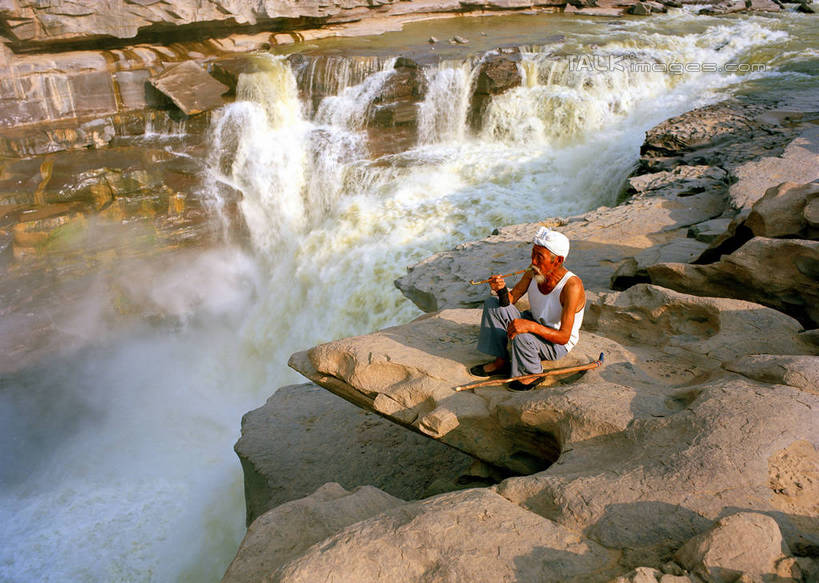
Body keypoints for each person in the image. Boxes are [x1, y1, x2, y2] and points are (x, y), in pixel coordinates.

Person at [471, 226, 586, 391]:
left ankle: (532, 374)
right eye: (533, 254)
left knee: (522, 336)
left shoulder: (571, 286)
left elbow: (563, 337)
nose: (533, 261)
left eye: (539, 257)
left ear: (558, 261)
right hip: (533, 322)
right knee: (493, 304)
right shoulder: (534, 271)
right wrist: (501, 290)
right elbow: (511, 299)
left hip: (556, 342)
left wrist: (529, 326)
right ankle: (501, 362)